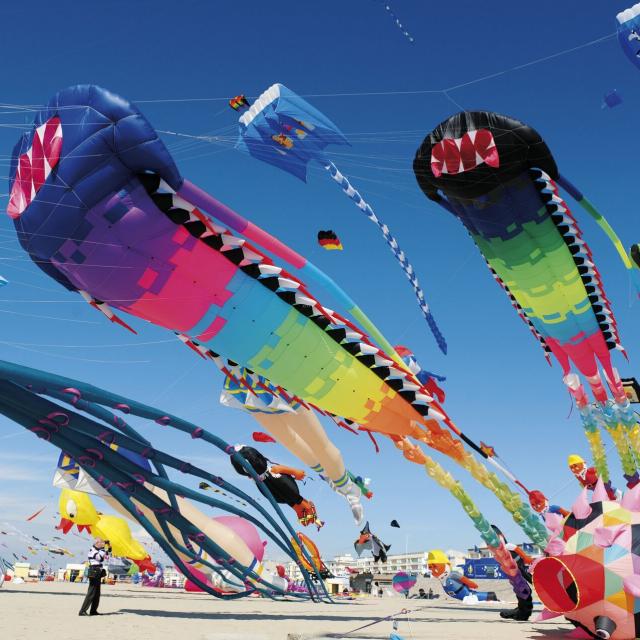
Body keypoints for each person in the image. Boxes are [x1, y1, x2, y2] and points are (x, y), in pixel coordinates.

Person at [79, 538, 110, 617]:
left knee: (97, 593)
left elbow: (107, 556)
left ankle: (93, 610)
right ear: (97, 543)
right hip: (94, 571)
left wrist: (108, 546)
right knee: (91, 592)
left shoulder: (99, 550)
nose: (103, 543)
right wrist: (103, 548)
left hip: (98, 572)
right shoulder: (92, 551)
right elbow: (99, 557)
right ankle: (82, 611)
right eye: (102, 542)